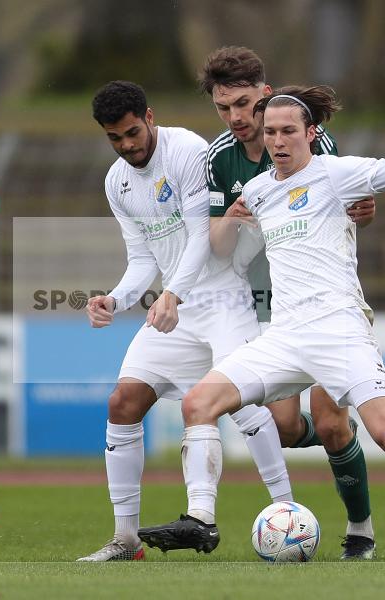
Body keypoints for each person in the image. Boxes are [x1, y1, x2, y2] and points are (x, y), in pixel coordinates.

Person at [138, 85, 385, 561]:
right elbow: (232, 255)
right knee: (198, 403)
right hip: (284, 336)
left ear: (311, 133)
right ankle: (201, 520)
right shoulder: (257, 190)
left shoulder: (338, 174)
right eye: (270, 132)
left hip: (340, 331)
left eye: (288, 131)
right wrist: (189, 276)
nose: (278, 141)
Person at [77, 80, 294, 561]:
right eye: (115, 138)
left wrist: (172, 293)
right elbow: (143, 258)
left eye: (132, 132)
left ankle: (289, 514)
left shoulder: (188, 152)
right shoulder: (117, 182)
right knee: (122, 403)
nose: (127, 145)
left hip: (225, 298)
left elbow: (201, 236)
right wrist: (114, 299)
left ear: (149, 117)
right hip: (176, 309)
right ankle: (126, 540)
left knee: (244, 406)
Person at [194, 46, 378, 559]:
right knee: (283, 426)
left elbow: (348, 212)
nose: (236, 117)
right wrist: (233, 218)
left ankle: (361, 531)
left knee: (331, 421)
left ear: (266, 95)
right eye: (223, 107)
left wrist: (364, 214)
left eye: (244, 104)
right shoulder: (219, 158)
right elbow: (217, 247)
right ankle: (338, 438)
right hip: (266, 305)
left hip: (323, 300)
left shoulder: (315, 140)